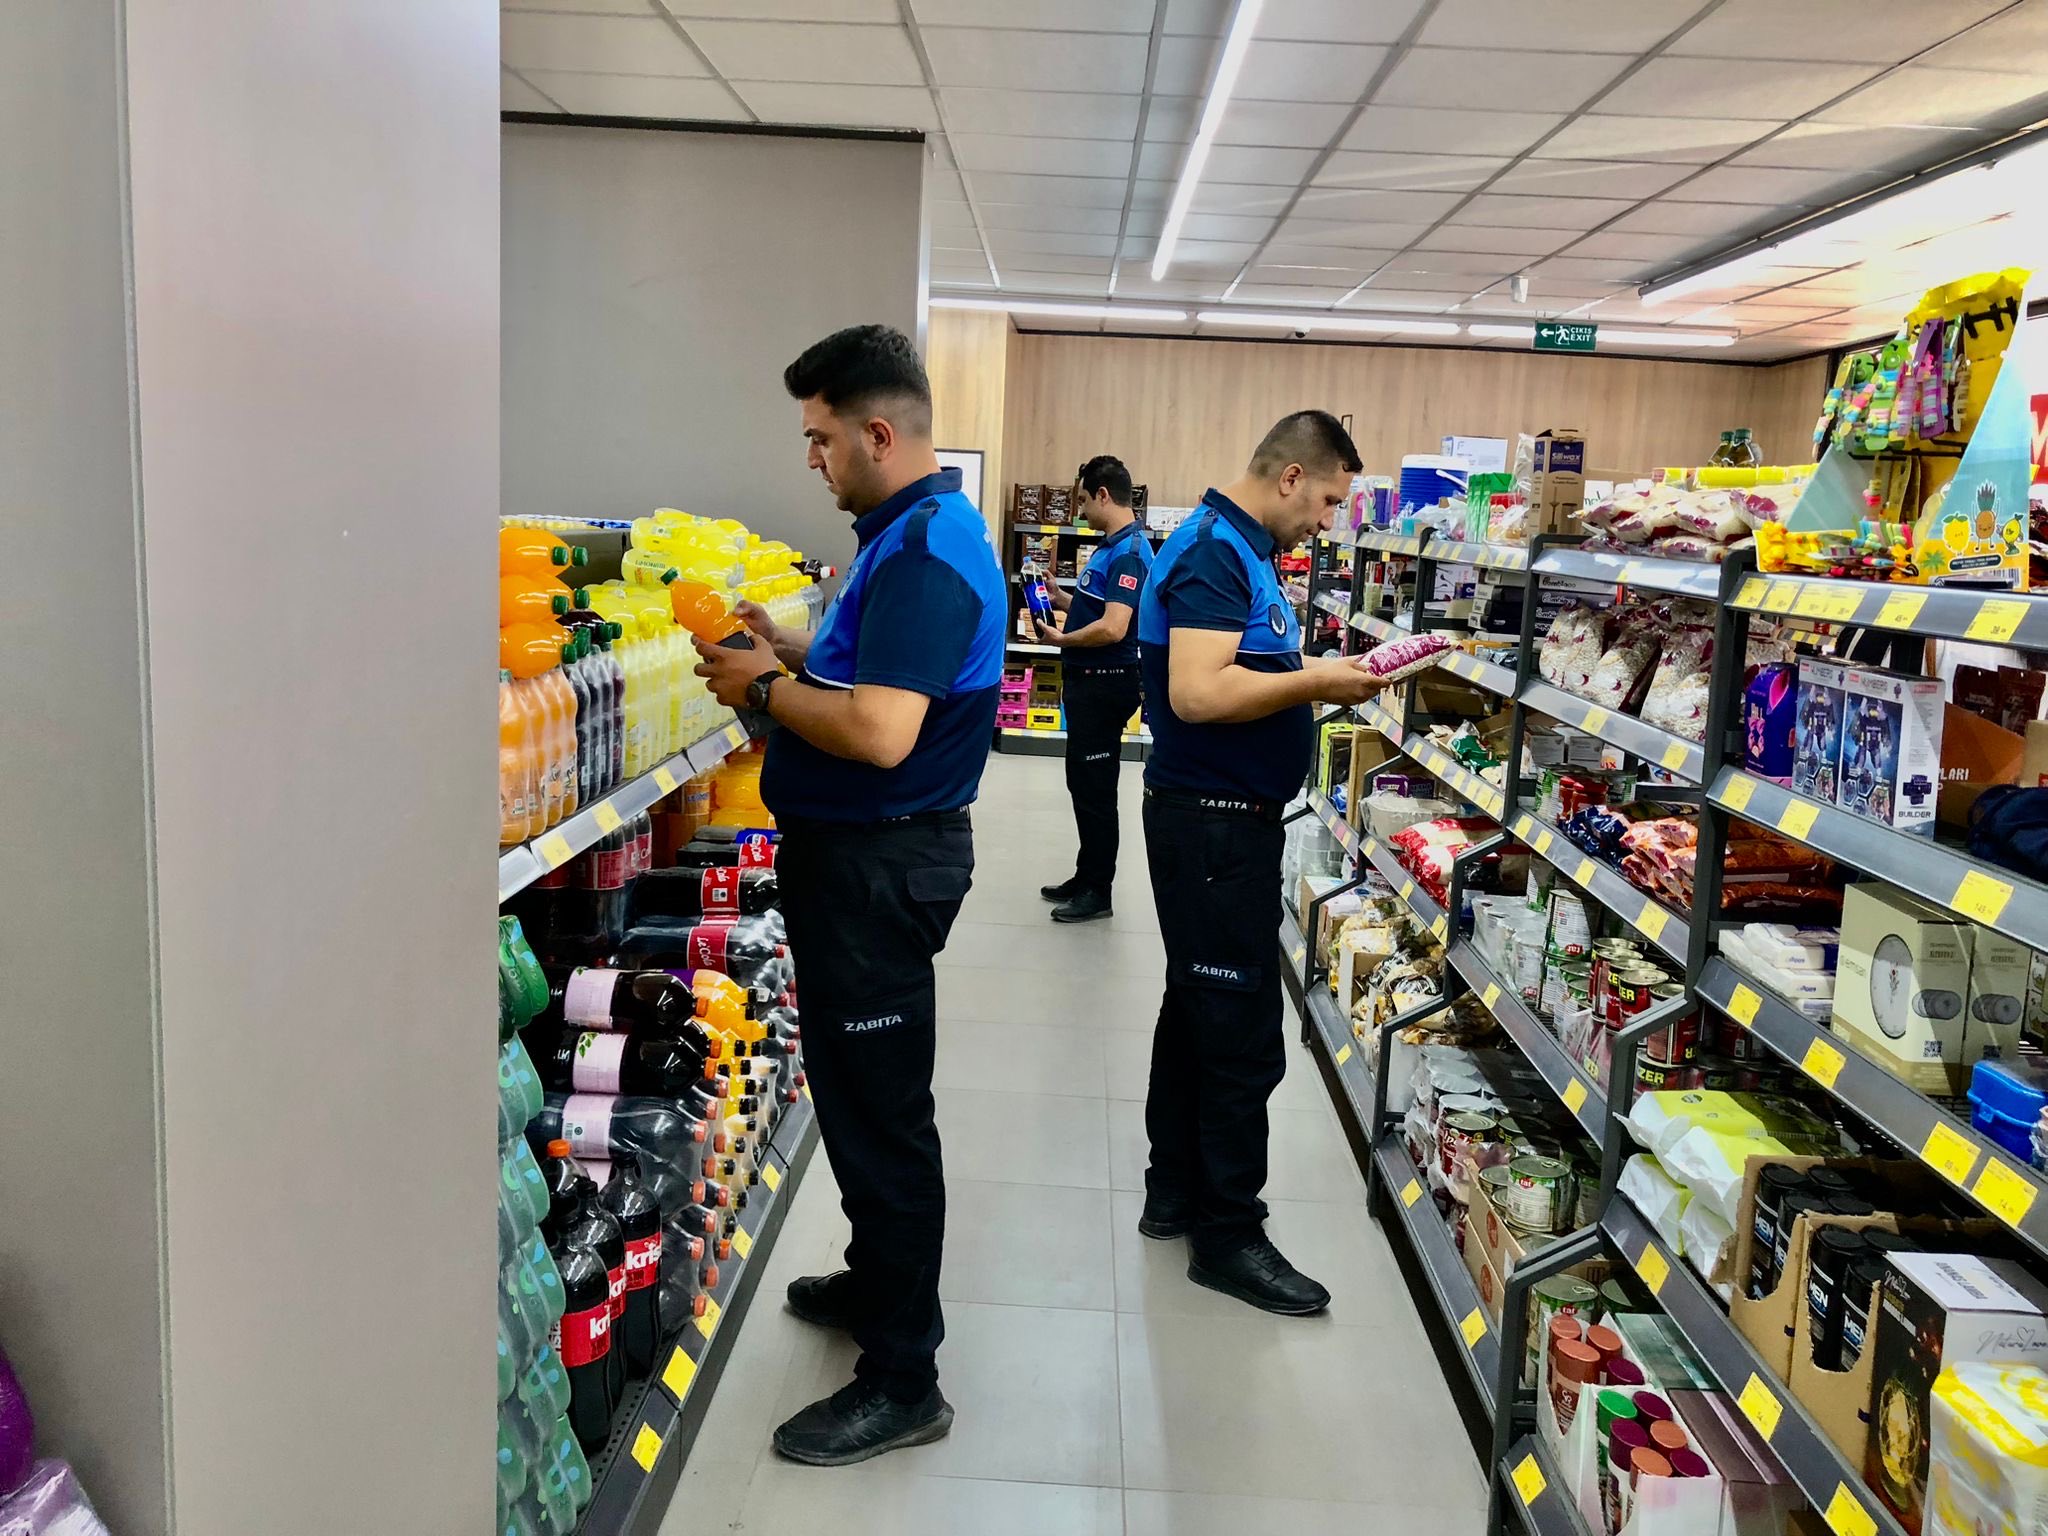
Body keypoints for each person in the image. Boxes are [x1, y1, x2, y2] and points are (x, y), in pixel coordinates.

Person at [691, 324, 1005, 1466]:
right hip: (860, 862)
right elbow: (871, 676)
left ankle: (903, 1378)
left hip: (882, 865)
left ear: (879, 433)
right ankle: (879, 1282)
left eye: (821, 439)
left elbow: (879, 731)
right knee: (859, 1099)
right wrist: (789, 650)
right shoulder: (908, 535)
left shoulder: (924, 551)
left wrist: (763, 689)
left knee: (882, 1121)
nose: (812, 459)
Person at [1133, 409, 1390, 1315]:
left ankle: (1174, 1191)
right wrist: (1318, 680)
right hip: (1212, 829)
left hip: (1218, 825)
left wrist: (1307, 673)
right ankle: (1228, 1236)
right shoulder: (1215, 552)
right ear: (1290, 478)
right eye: (1327, 500)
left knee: (1194, 1010)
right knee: (1240, 1033)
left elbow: (1239, 671)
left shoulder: (1241, 551)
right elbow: (1198, 694)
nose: (1327, 520)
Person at [1032, 454, 1154, 923]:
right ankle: (1086, 875)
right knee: (1083, 784)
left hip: (1106, 684)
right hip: (1089, 683)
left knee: (1096, 790)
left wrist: (1061, 640)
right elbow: (1098, 608)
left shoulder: (1130, 553)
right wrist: (1060, 598)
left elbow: (1114, 627)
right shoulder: (1110, 548)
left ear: (1104, 495)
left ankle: (1098, 891)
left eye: (1083, 500)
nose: (1080, 510)